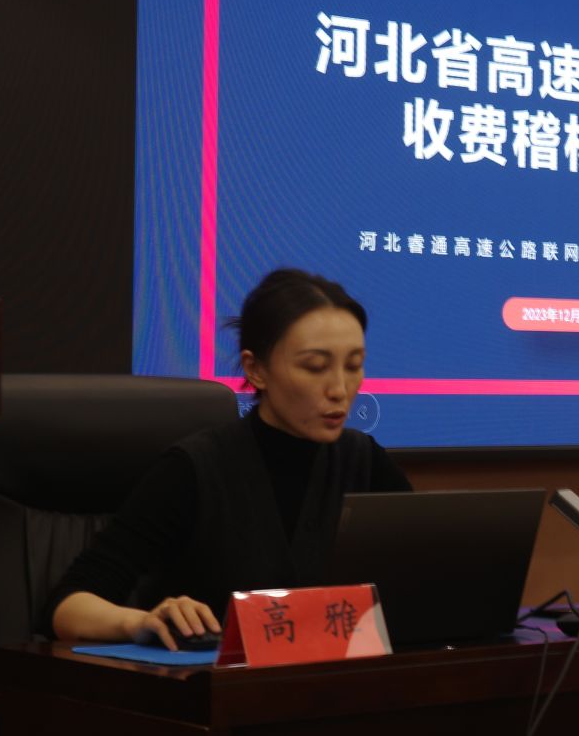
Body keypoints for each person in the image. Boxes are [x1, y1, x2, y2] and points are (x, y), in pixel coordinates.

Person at [50, 268, 412, 649]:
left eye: (353, 366)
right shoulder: (193, 469)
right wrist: (142, 621)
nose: (340, 388)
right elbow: (66, 606)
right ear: (256, 370)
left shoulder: (365, 462)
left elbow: (424, 576)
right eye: (315, 367)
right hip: (215, 681)